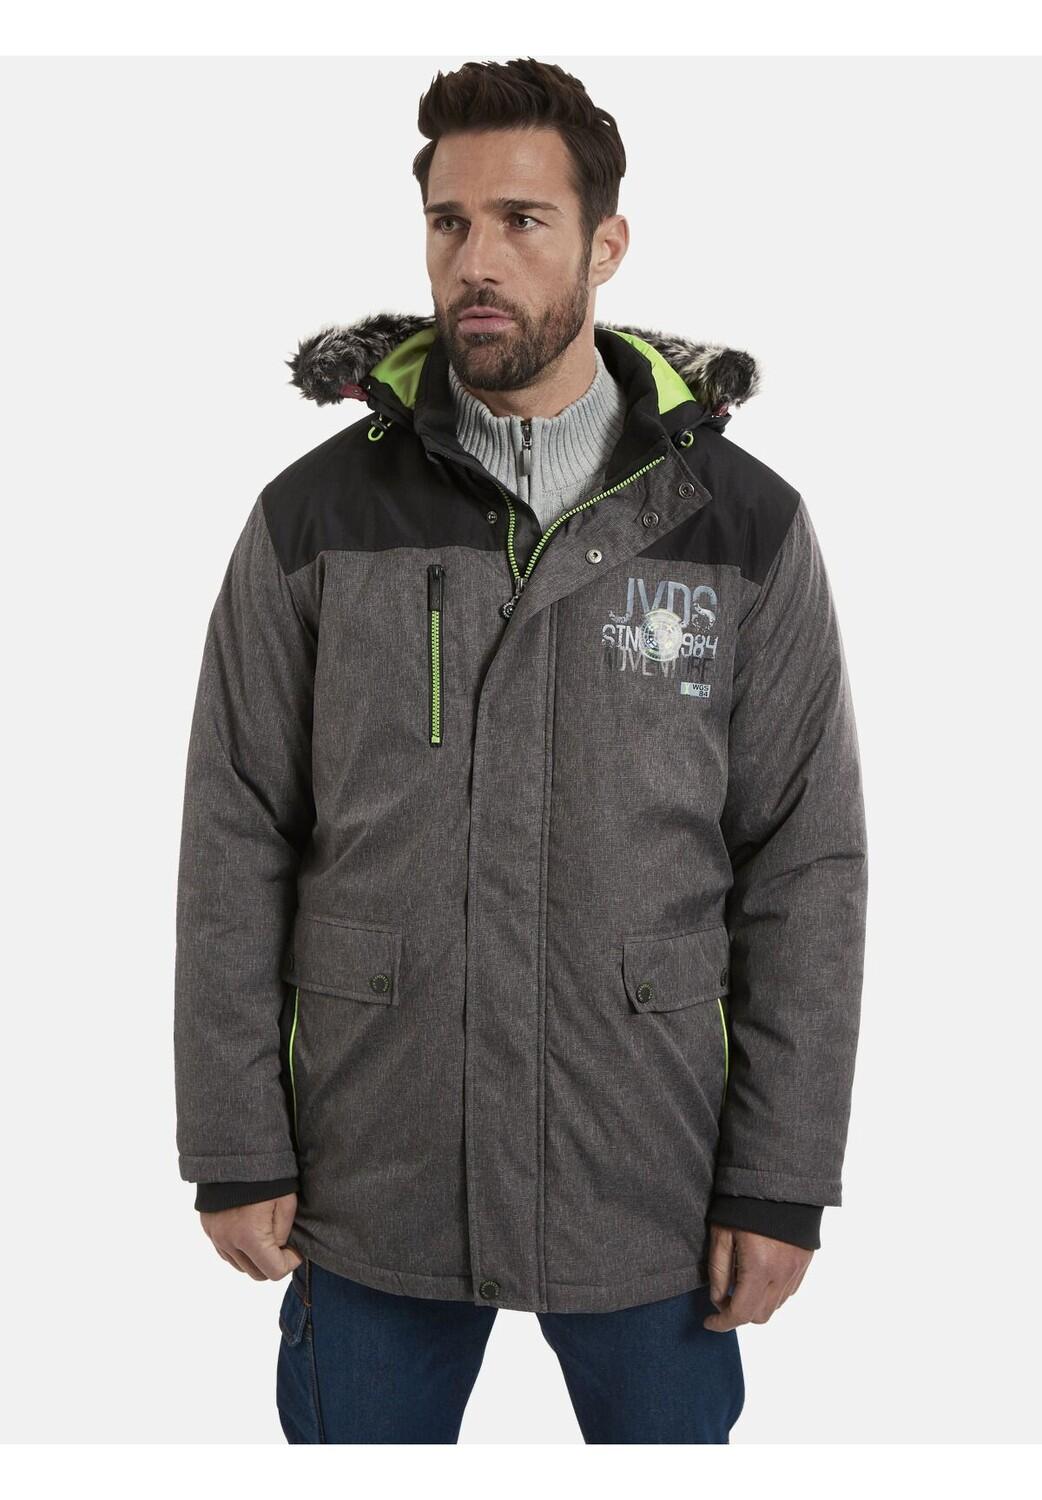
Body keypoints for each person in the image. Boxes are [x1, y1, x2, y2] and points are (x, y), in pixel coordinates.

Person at [174, 56, 868, 1445]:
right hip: (376, 1167)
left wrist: (778, 1178)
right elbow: (235, 830)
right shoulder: (316, 518)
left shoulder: (739, 525)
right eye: (449, 222)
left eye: (522, 221)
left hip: (648, 1172)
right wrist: (235, 1141)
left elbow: (805, 859)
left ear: (606, 245)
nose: (475, 260)